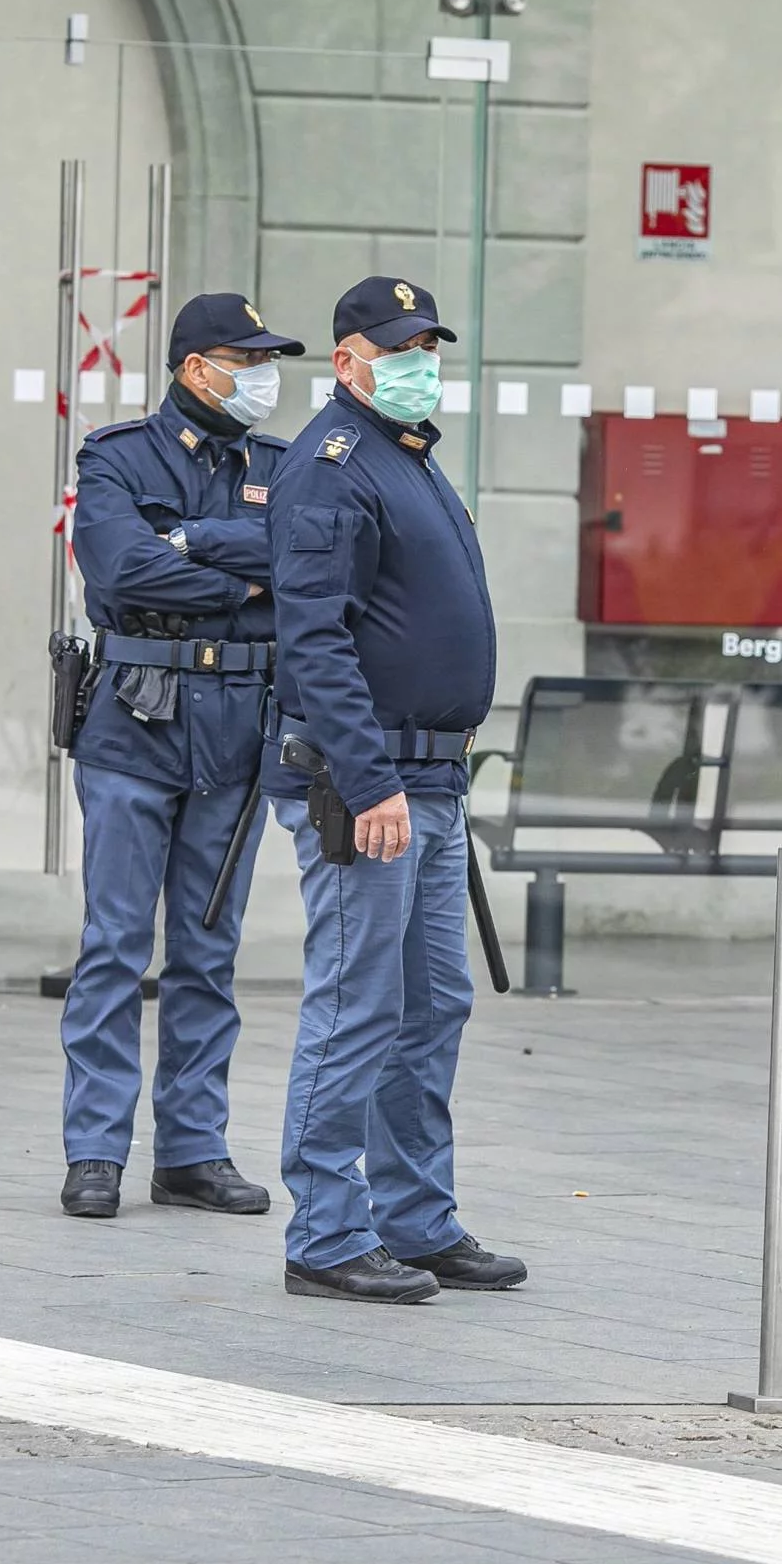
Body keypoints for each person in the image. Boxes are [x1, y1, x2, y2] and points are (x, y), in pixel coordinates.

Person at [263, 275, 523, 1304]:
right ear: (346, 360)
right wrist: (368, 778)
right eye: (398, 347)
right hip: (366, 785)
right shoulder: (331, 466)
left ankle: (414, 1216)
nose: (419, 363)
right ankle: (325, 1231)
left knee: (431, 1006)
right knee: (356, 1005)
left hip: (428, 778)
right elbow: (314, 636)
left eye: (426, 346)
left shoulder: (406, 461)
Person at [58, 293, 305, 1220]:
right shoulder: (118, 457)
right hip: (134, 727)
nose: (263, 377)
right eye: (249, 360)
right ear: (197, 368)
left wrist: (196, 543)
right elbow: (120, 570)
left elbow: (304, 568)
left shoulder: (284, 469)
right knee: (116, 946)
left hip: (237, 734)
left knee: (208, 952)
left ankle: (193, 1151)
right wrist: (243, 573)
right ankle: (95, 1150)